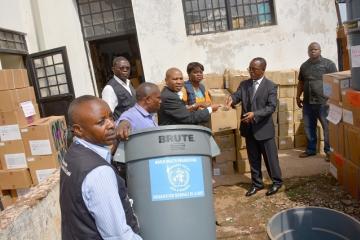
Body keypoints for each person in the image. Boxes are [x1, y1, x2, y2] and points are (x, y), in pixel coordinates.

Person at [60, 95, 142, 240]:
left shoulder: (74, 152)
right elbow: (118, 236)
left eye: (111, 117)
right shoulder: (99, 172)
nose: (111, 124)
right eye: (101, 122)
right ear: (78, 130)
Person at [226, 57, 282, 197]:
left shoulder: (271, 86)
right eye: (249, 68)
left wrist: (255, 114)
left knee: (270, 159)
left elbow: (271, 107)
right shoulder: (244, 84)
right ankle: (257, 183)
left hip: (264, 129)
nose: (250, 71)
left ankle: (276, 182)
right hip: (249, 128)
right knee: (253, 159)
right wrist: (231, 99)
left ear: (263, 70)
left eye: (254, 69)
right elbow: (237, 96)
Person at [296, 42, 337, 161]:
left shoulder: (328, 64)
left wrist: (332, 98)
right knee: (309, 127)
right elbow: (301, 83)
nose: (312, 51)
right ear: (308, 52)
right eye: (310, 50)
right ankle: (311, 149)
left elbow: (334, 81)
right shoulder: (304, 66)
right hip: (308, 102)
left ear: (320, 50)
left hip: (324, 102)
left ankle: (329, 151)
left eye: (315, 49)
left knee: (327, 127)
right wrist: (298, 97)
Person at [102, 56, 136, 121]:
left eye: (127, 68)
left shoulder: (129, 83)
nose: (125, 70)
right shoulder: (109, 88)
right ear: (113, 69)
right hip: (123, 128)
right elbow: (107, 115)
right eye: (121, 68)